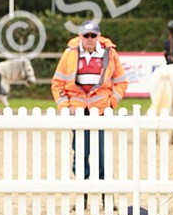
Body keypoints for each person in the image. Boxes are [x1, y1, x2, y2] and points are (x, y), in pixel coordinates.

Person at [51, 20, 128, 180]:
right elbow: (57, 83)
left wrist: (111, 102)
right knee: (80, 152)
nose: (90, 38)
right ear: (80, 36)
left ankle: (106, 193)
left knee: (102, 154)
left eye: (93, 35)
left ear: (98, 36)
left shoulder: (109, 53)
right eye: (86, 35)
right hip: (78, 110)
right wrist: (65, 105)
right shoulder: (69, 54)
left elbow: (121, 81)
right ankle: (82, 193)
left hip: (100, 111)